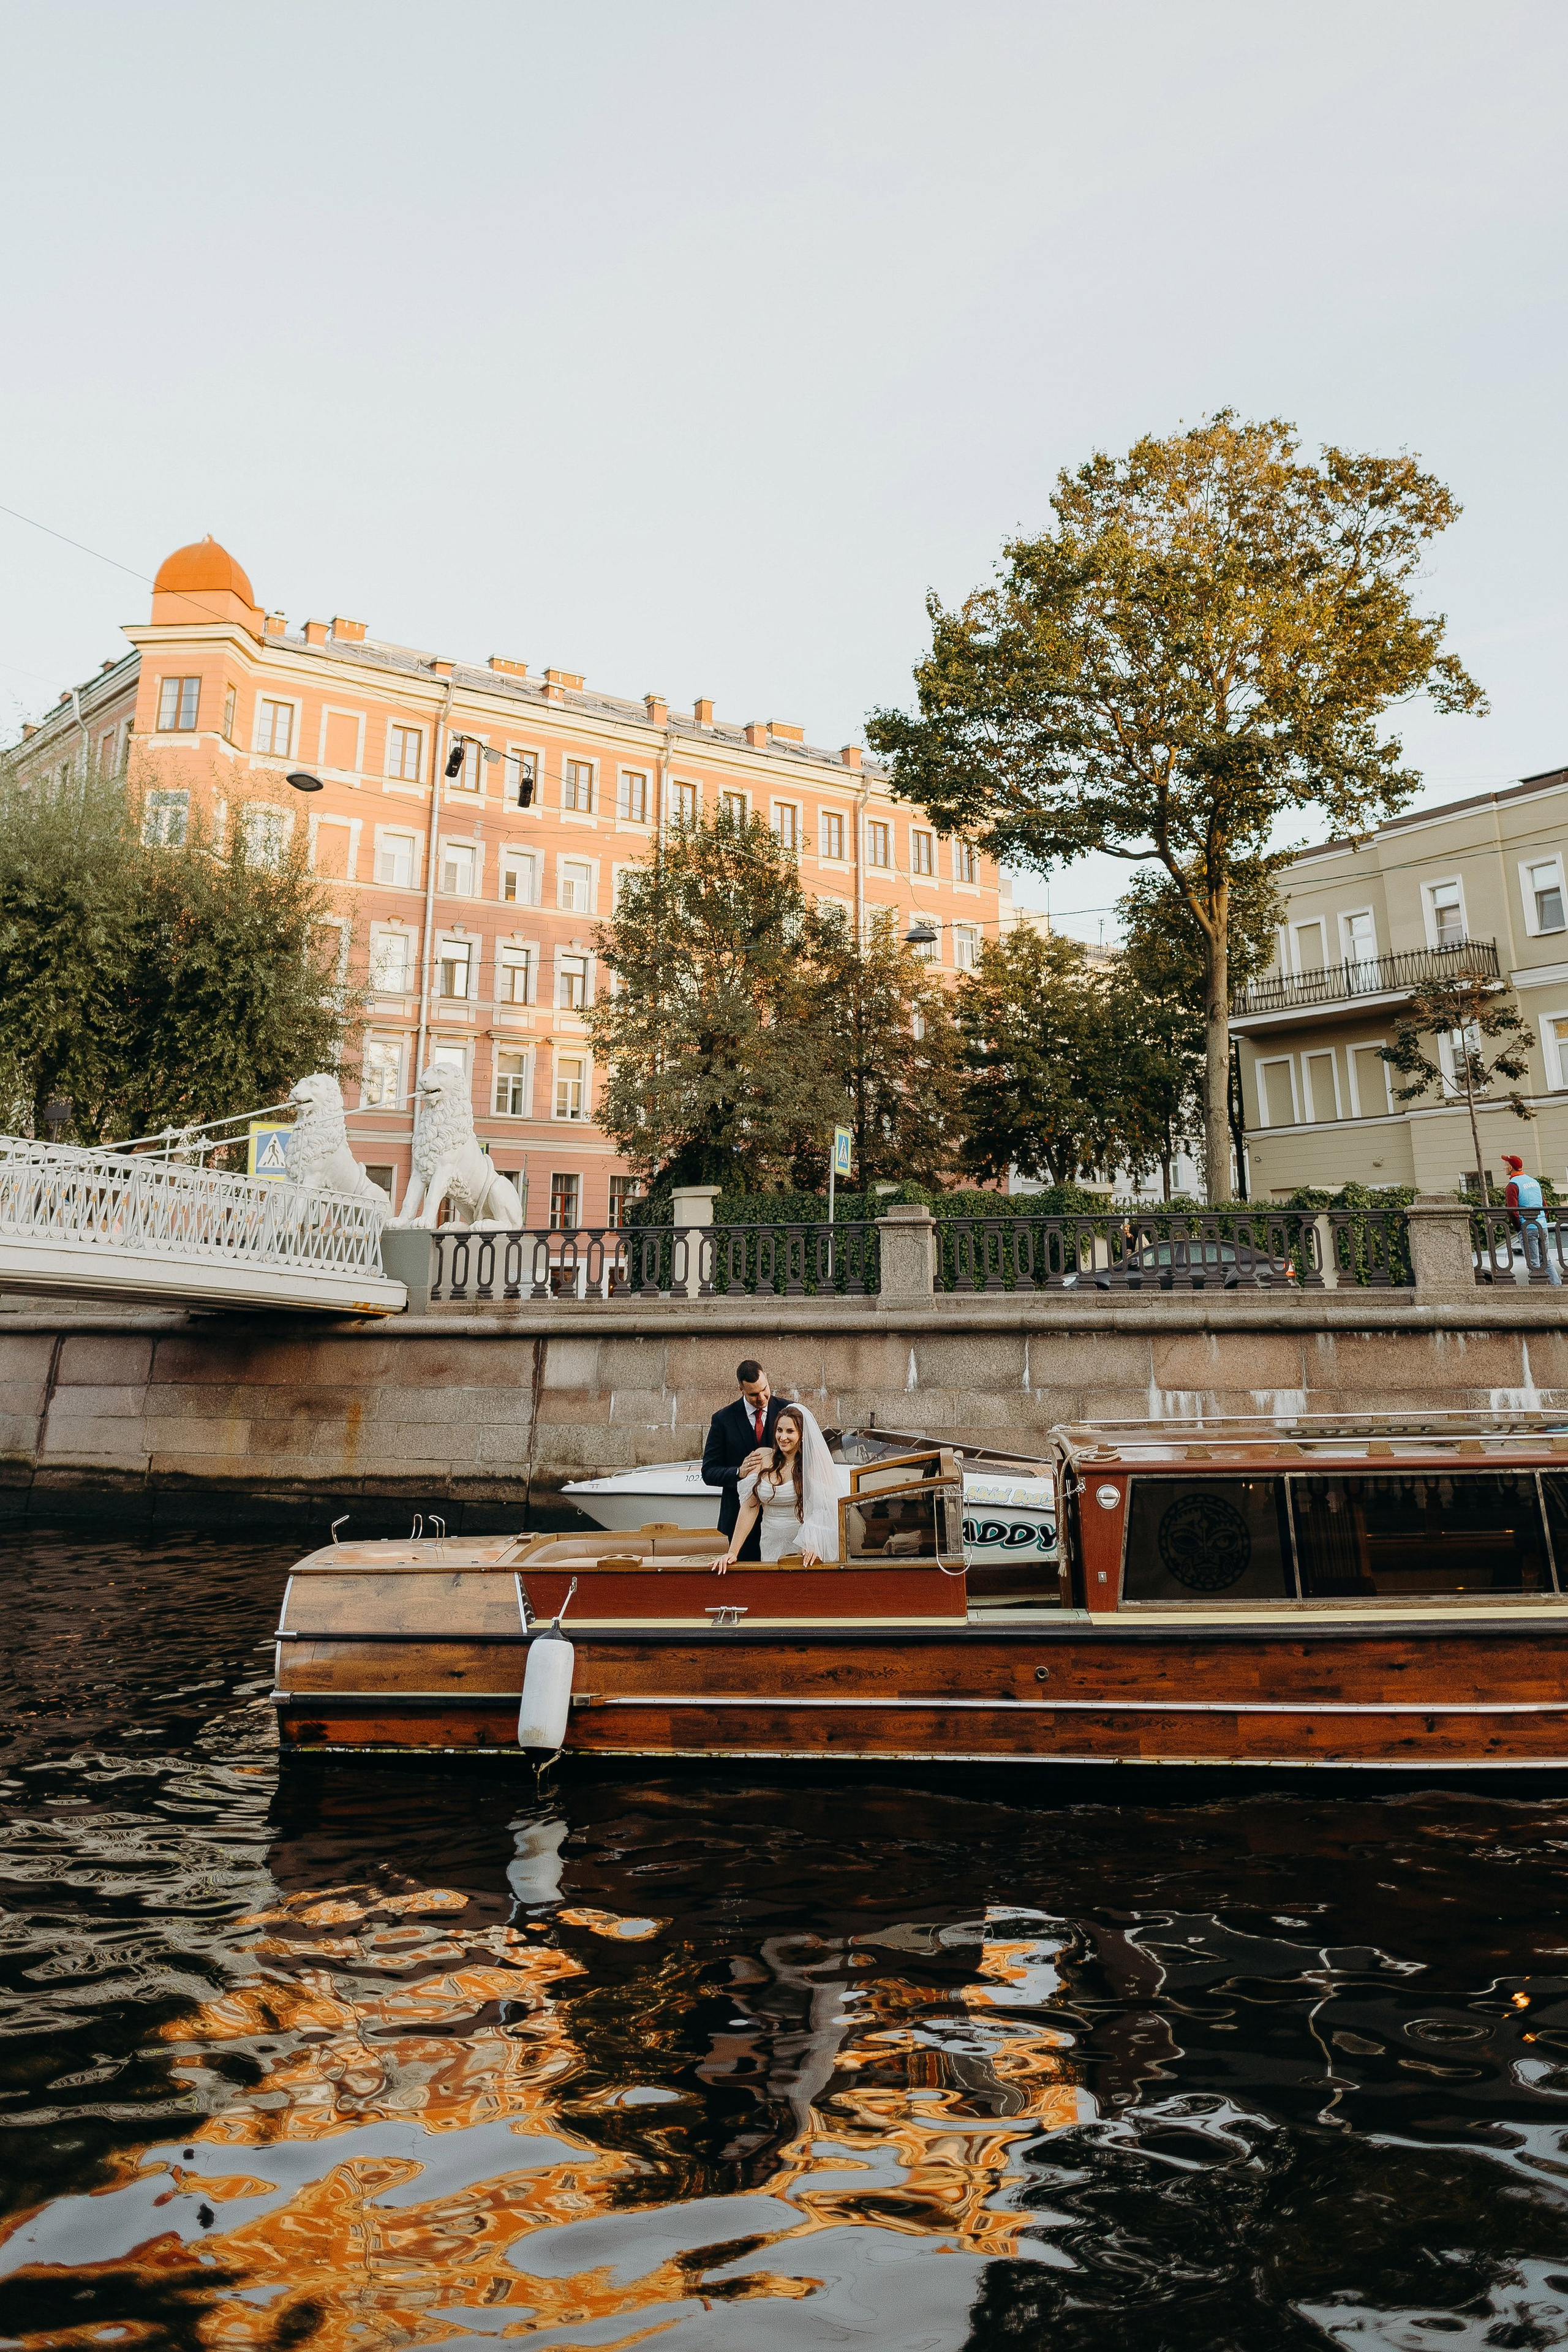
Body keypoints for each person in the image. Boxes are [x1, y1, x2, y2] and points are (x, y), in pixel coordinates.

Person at [711, 1401, 841, 1572]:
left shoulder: (812, 1463)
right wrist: (732, 1552)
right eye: (780, 1430)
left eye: (790, 1431)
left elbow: (825, 1508)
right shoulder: (762, 1457)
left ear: (802, 1434)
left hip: (801, 1546)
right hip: (770, 1542)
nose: (783, 1437)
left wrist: (812, 1542)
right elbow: (750, 1508)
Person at [701, 1359, 783, 1562]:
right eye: (754, 1394)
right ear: (741, 1389)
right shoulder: (723, 1420)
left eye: (765, 1389)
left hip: (781, 1516)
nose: (762, 1398)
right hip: (740, 1520)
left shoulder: (788, 1411)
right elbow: (708, 1472)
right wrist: (738, 1472)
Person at [1501, 1153, 1561, 1286]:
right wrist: (1541, 1220)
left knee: (1533, 1264)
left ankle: (1540, 1292)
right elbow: (1545, 1206)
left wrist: (1519, 1228)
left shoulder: (1513, 1185)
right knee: (1547, 1262)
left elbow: (1512, 1211)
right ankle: (1557, 1289)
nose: (1504, 1167)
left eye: (1506, 1165)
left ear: (1511, 1167)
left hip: (1527, 1227)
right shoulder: (1534, 1182)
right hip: (1542, 1226)